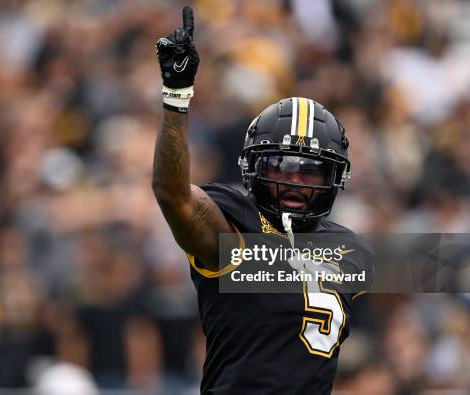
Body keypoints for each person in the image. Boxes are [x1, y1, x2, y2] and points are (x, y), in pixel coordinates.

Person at [152, 6, 372, 394]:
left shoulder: (349, 249)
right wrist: (176, 97)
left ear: (335, 178)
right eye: (280, 166)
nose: (294, 182)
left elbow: (436, 266)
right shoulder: (238, 227)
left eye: (310, 171)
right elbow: (174, 196)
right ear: (253, 168)